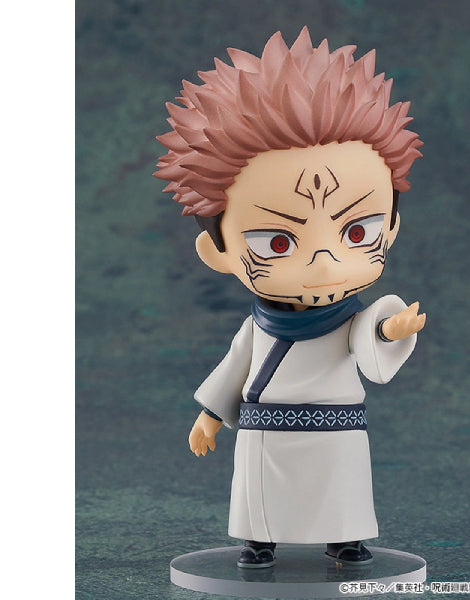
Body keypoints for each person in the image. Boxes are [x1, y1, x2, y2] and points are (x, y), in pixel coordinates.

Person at [155, 27, 426, 569]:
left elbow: (370, 337)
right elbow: (234, 367)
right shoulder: (258, 326)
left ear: (391, 228)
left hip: (335, 431)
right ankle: (259, 541)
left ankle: (345, 538)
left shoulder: (351, 318)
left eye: (356, 232)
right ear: (217, 251)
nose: (324, 262)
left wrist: (389, 330)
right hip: (266, 431)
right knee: (262, 498)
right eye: (278, 242)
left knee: (339, 489)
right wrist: (210, 415)